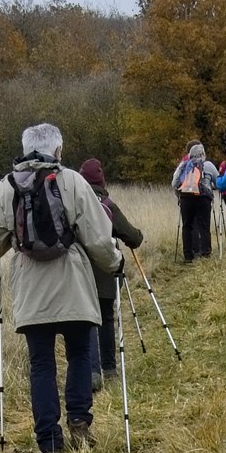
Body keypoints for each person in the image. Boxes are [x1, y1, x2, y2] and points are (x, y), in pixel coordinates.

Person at [0, 122, 119, 453]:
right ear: (58, 150)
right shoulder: (72, 182)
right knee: (80, 355)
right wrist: (114, 263)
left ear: (24, 149)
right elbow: (98, 237)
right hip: (74, 287)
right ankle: (80, 423)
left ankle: (50, 445)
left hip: (31, 290)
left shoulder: (6, 188)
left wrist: (13, 240)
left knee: (41, 365)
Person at [75, 157, 145, 377]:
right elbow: (132, 237)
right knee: (106, 318)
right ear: (102, 180)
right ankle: (109, 369)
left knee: (87, 321)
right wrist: (137, 236)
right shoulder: (107, 205)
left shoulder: (74, 203)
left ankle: (92, 371)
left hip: (80, 273)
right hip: (107, 272)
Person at [171, 141, 218, 260]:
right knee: (204, 226)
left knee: (187, 226)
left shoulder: (183, 165)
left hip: (186, 198)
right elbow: (218, 181)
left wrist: (179, 197)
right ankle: (205, 254)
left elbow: (174, 183)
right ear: (202, 154)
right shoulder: (208, 165)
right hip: (203, 198)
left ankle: (188, 255)